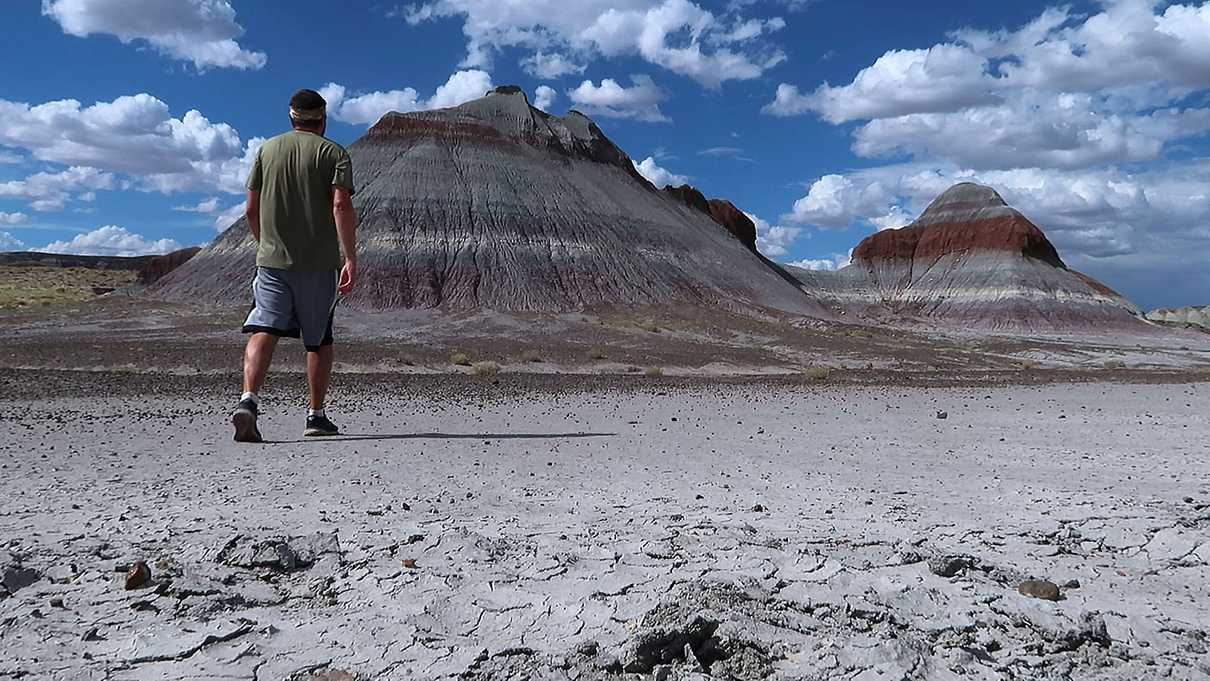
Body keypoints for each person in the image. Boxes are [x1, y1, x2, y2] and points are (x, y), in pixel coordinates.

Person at [231, 89, 358, 443]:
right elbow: (341, 206)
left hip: (272, 262)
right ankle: (316, 415)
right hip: (318, 264)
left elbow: (250, 210)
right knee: (318, 340)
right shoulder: (333, 153)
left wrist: (265, 244)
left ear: (291, 119)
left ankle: (248, 400)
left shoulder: (267, 150)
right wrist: (349, 257)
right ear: (323, 119)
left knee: (264, 328)